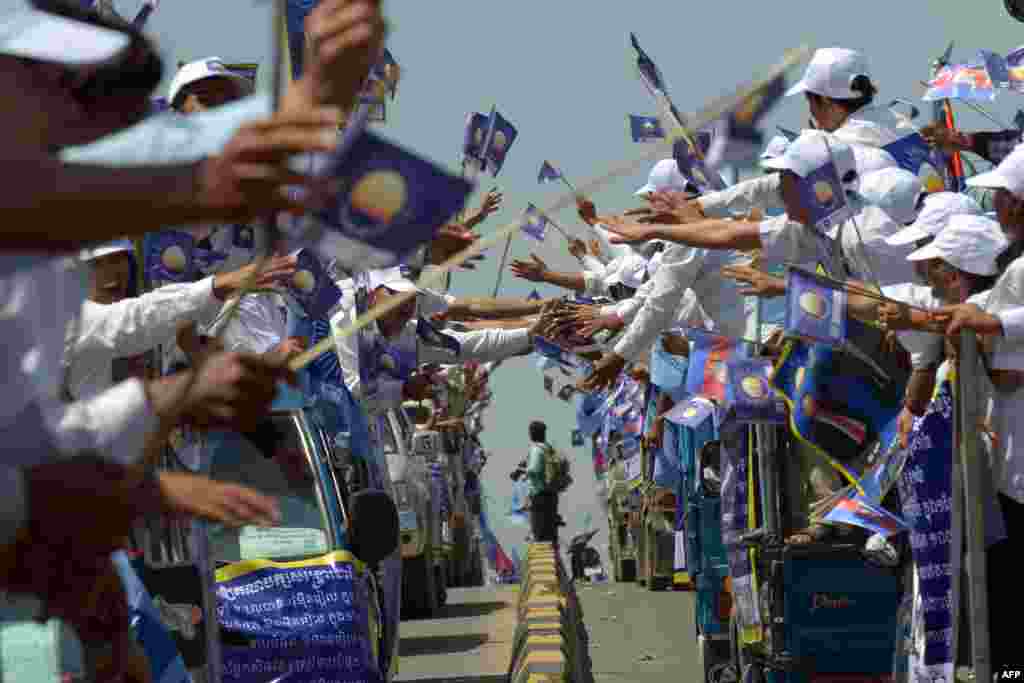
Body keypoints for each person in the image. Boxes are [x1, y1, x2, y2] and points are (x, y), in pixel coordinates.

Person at [526, 420, 559, 544]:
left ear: (532, 434)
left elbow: (534, 469)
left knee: (540, 535)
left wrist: (525, 471)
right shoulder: (548, 448)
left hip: (540, 497)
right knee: (551, 533)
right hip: (552, 495)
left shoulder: (536, 449)